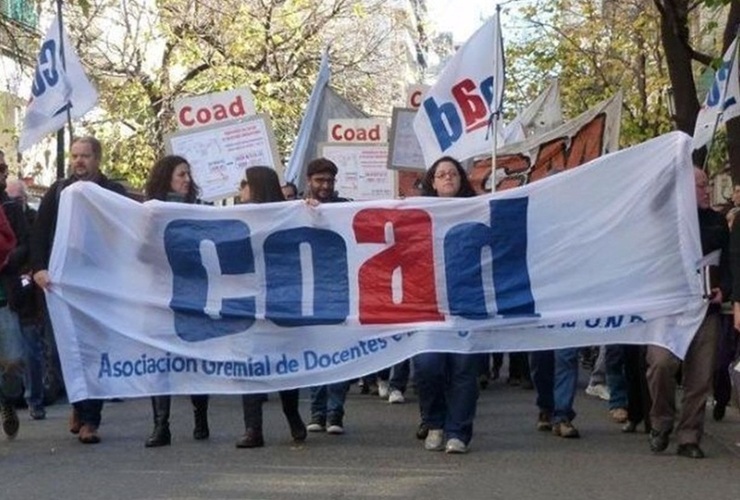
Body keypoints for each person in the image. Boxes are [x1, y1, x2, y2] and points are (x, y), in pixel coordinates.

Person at [31, 136, 127, 444]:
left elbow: (125, 233)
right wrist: (39, 269)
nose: (79, 161)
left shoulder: (113, 192)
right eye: (74, 156)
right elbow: (39, 234)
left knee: (93, 350)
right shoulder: (58, 192)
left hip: (98, 283)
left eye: (85, 155)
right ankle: (77, 400)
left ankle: (90, 420)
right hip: (61, 284)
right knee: (63, 349)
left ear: (97, 159)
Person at [647, 167, 729, 459]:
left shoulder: (717, 222)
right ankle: (661, 421)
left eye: (708, 185)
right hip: (668, 310)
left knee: (700, 377)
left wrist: (725, 289)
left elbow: (729, 262)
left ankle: (689, 436)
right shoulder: (663, 220)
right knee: (660, 365)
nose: (708, 191)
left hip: (705, 310)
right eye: (701, 186)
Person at [235, 166, 307, 448]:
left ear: (257, 186)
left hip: (281, 300)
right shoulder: (235, 216)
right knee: (249, 363)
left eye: (245, 183)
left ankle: (291, 413)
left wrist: (311, 208)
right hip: (248, 300)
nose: (241, 189)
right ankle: (253, 428)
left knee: (284, 362)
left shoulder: (286, 215)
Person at [141, 155, 211, 447]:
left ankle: (201, 416)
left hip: (192, 294)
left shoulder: (200, 212)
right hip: (159, 295)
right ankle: (161, 425)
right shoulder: (150, 214)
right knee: (160, 360)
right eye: (181, 174)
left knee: (194, 358)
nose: (186, 180)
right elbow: (141, 253)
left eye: (188, 175)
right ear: (166, 177)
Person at [414, 155, 481, 454]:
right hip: (427, 304)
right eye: (441, 174)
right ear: (432, 181)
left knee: (464, 369)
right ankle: (435, 423)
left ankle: (458, 431)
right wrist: (310, 208)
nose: (447, 178)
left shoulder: (478, 209)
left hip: (466, 302)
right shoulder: (415, 212)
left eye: (452, 173)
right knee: (428, 367)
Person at [303, 158, 353, 435]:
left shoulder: (346, 207)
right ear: (309, 181)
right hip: (309, 291)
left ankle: (335, 413)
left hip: (339, 291)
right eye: (320, 180)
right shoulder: (295, 209)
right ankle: (316, 412)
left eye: (330, 181)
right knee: (316, 352)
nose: (325, 186)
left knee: (338, 353)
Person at [5, 179, 46, 420]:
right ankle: (9, 399)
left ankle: (34, 399)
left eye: (17, 199)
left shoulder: (31, 220)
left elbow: (33, 249)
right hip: (9, 294)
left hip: (26, 294)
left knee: (30, 350)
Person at [0, 162, 27, 439]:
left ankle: (7, 399)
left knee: (13, 361)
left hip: (4, 297)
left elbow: (25, 244)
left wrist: (8, 258)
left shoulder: (10, 207)